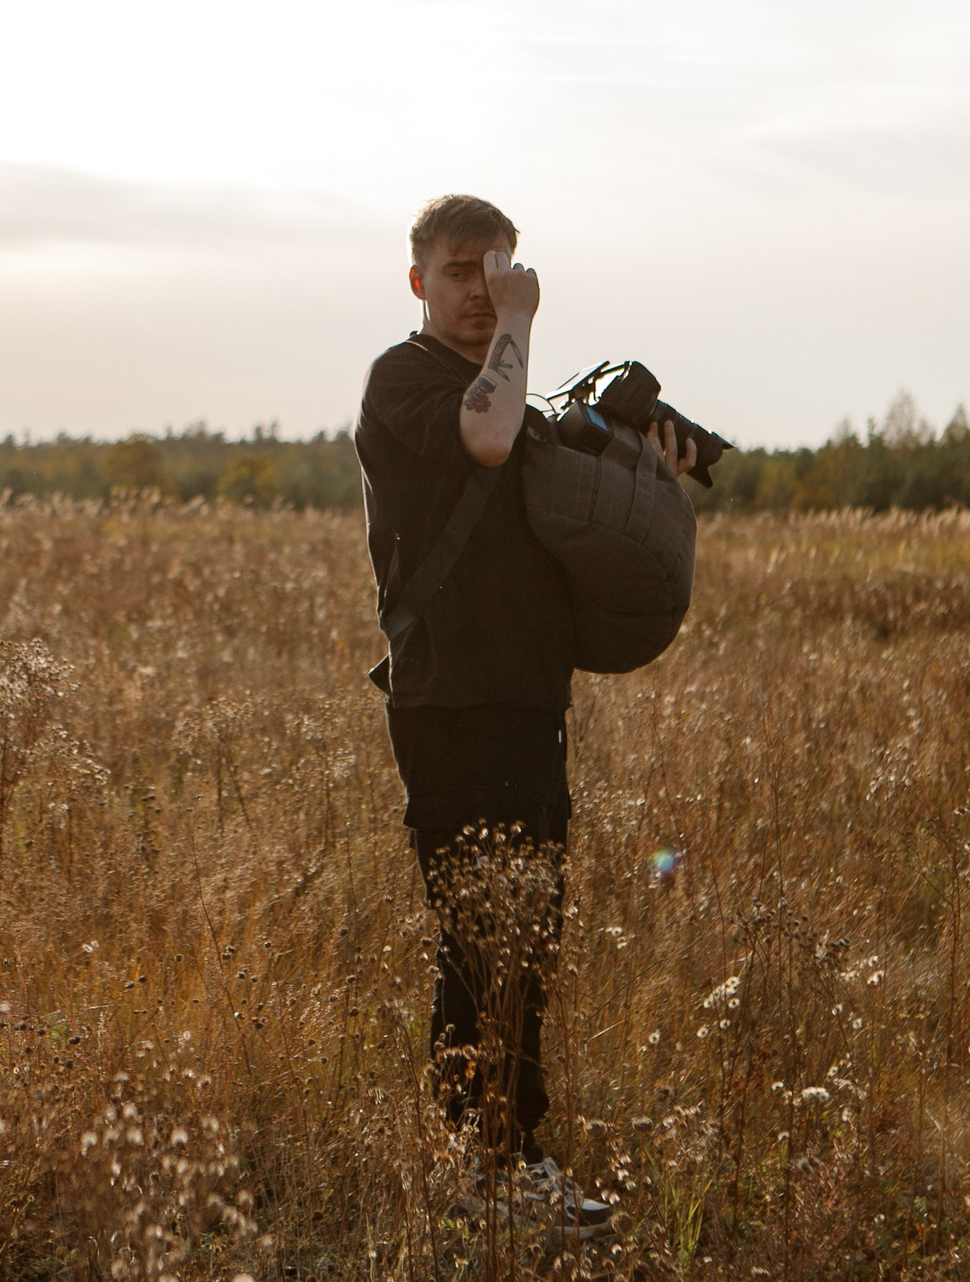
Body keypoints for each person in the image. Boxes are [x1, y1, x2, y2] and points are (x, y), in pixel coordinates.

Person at [355, 194, 696, 1231]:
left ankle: (488, 1161)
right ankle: (492, 1166)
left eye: (500, 268)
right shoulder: (403, 381)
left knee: (524, 938)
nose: (485, 290)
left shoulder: (517, 395)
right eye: (463, 271)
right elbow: (487, 440)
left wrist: (650, 466)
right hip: (451, 703)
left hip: (524, 702)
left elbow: (553, 477)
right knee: (480, 936)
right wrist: (522, 320)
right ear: (419, 281)